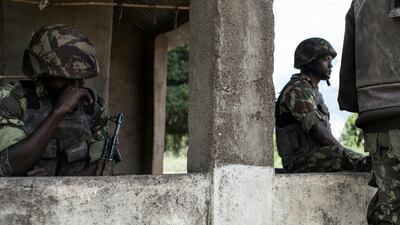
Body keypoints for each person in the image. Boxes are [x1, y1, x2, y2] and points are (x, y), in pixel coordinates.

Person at [0, 24, 118, 176]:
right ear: (42, 74)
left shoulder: (92, 105)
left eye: (80, 78)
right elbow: (9, 166)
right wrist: (59, 111)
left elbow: (104, 168)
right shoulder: (13, 98)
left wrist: (58, 187)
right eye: (64, 78)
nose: (74, 86)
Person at [339, 1, 400, 224]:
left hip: (377, 121)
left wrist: (365, 103)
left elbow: (348, 68)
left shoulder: (359, 3)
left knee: (389, 210)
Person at [275, 37, 371, 173]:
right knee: (340, 155)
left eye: (331, 61)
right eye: (326, 60)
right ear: (310, 62)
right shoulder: (298, 89)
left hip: (317, 157)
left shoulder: (314, 92)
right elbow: (317, 130)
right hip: (298, 161)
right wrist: (345, 152)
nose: (331, 65)